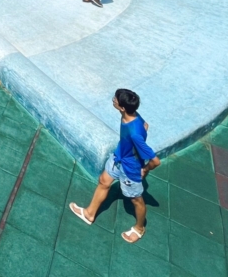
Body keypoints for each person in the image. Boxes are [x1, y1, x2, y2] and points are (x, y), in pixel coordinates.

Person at [68, 88, 160, 244]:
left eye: (115, 99)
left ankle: (139, 228)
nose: (113, 99)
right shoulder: (131, 115)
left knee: (136, 200)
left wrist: (144, 169)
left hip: (130, 170)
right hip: (118, 158)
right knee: (104, 181)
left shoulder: (134, 133)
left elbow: (156, 161)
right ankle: (89, 214)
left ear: (122, 107)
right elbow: (146, 125)